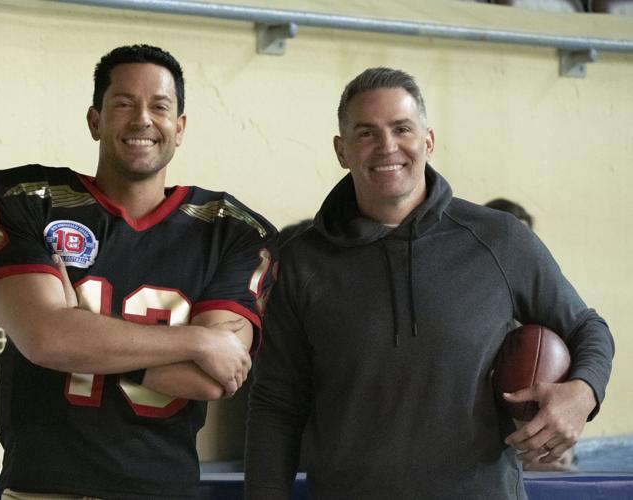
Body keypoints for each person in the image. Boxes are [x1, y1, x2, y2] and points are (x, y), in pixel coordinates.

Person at [245, 67, 613, 499]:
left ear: (428, 141)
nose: (387, 146)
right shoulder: (303, 261)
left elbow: (588, 329)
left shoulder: (499, 238)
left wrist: (583, 392)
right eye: (367, 133)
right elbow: (276, 404)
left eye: (402, 129)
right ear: (342, 150)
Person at [0, 44, 276, 499]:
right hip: (43, 489)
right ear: (94, 120)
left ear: (179, 128)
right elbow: (46, 338)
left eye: (159, 106)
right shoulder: (22, 198)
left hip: (162, 490)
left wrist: (78, 334)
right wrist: (197, 340)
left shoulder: (233, 230)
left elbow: (212, 378)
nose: (142, 119)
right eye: (123, 103)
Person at [485, 197, 577, 472]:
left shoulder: (544, 321)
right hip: (486, 451)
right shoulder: (469, 315)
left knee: (564, 468)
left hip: (537, 445)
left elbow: (591, 333)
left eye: (526, 241)